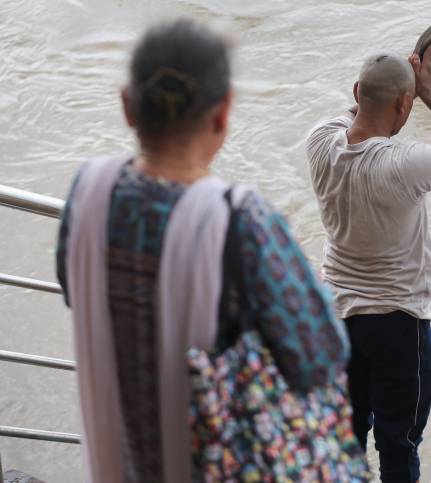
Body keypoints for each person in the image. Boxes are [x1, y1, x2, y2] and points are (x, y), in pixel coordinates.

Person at [56, 19, 357, 482]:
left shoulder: (89, 192)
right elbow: (320, 355)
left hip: (122, 456)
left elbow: (76, 292)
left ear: (127, 107)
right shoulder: (239, 220)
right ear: (223, 111)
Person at [305, 40, 431, 483]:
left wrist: (396, 83)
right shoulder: (408, 162)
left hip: (334, 315)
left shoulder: (320, 142)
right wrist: (430, 94)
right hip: (396, 323)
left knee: (344, 440)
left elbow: (361, 107)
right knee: (398, 445)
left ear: (356, 92)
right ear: (404, 102)